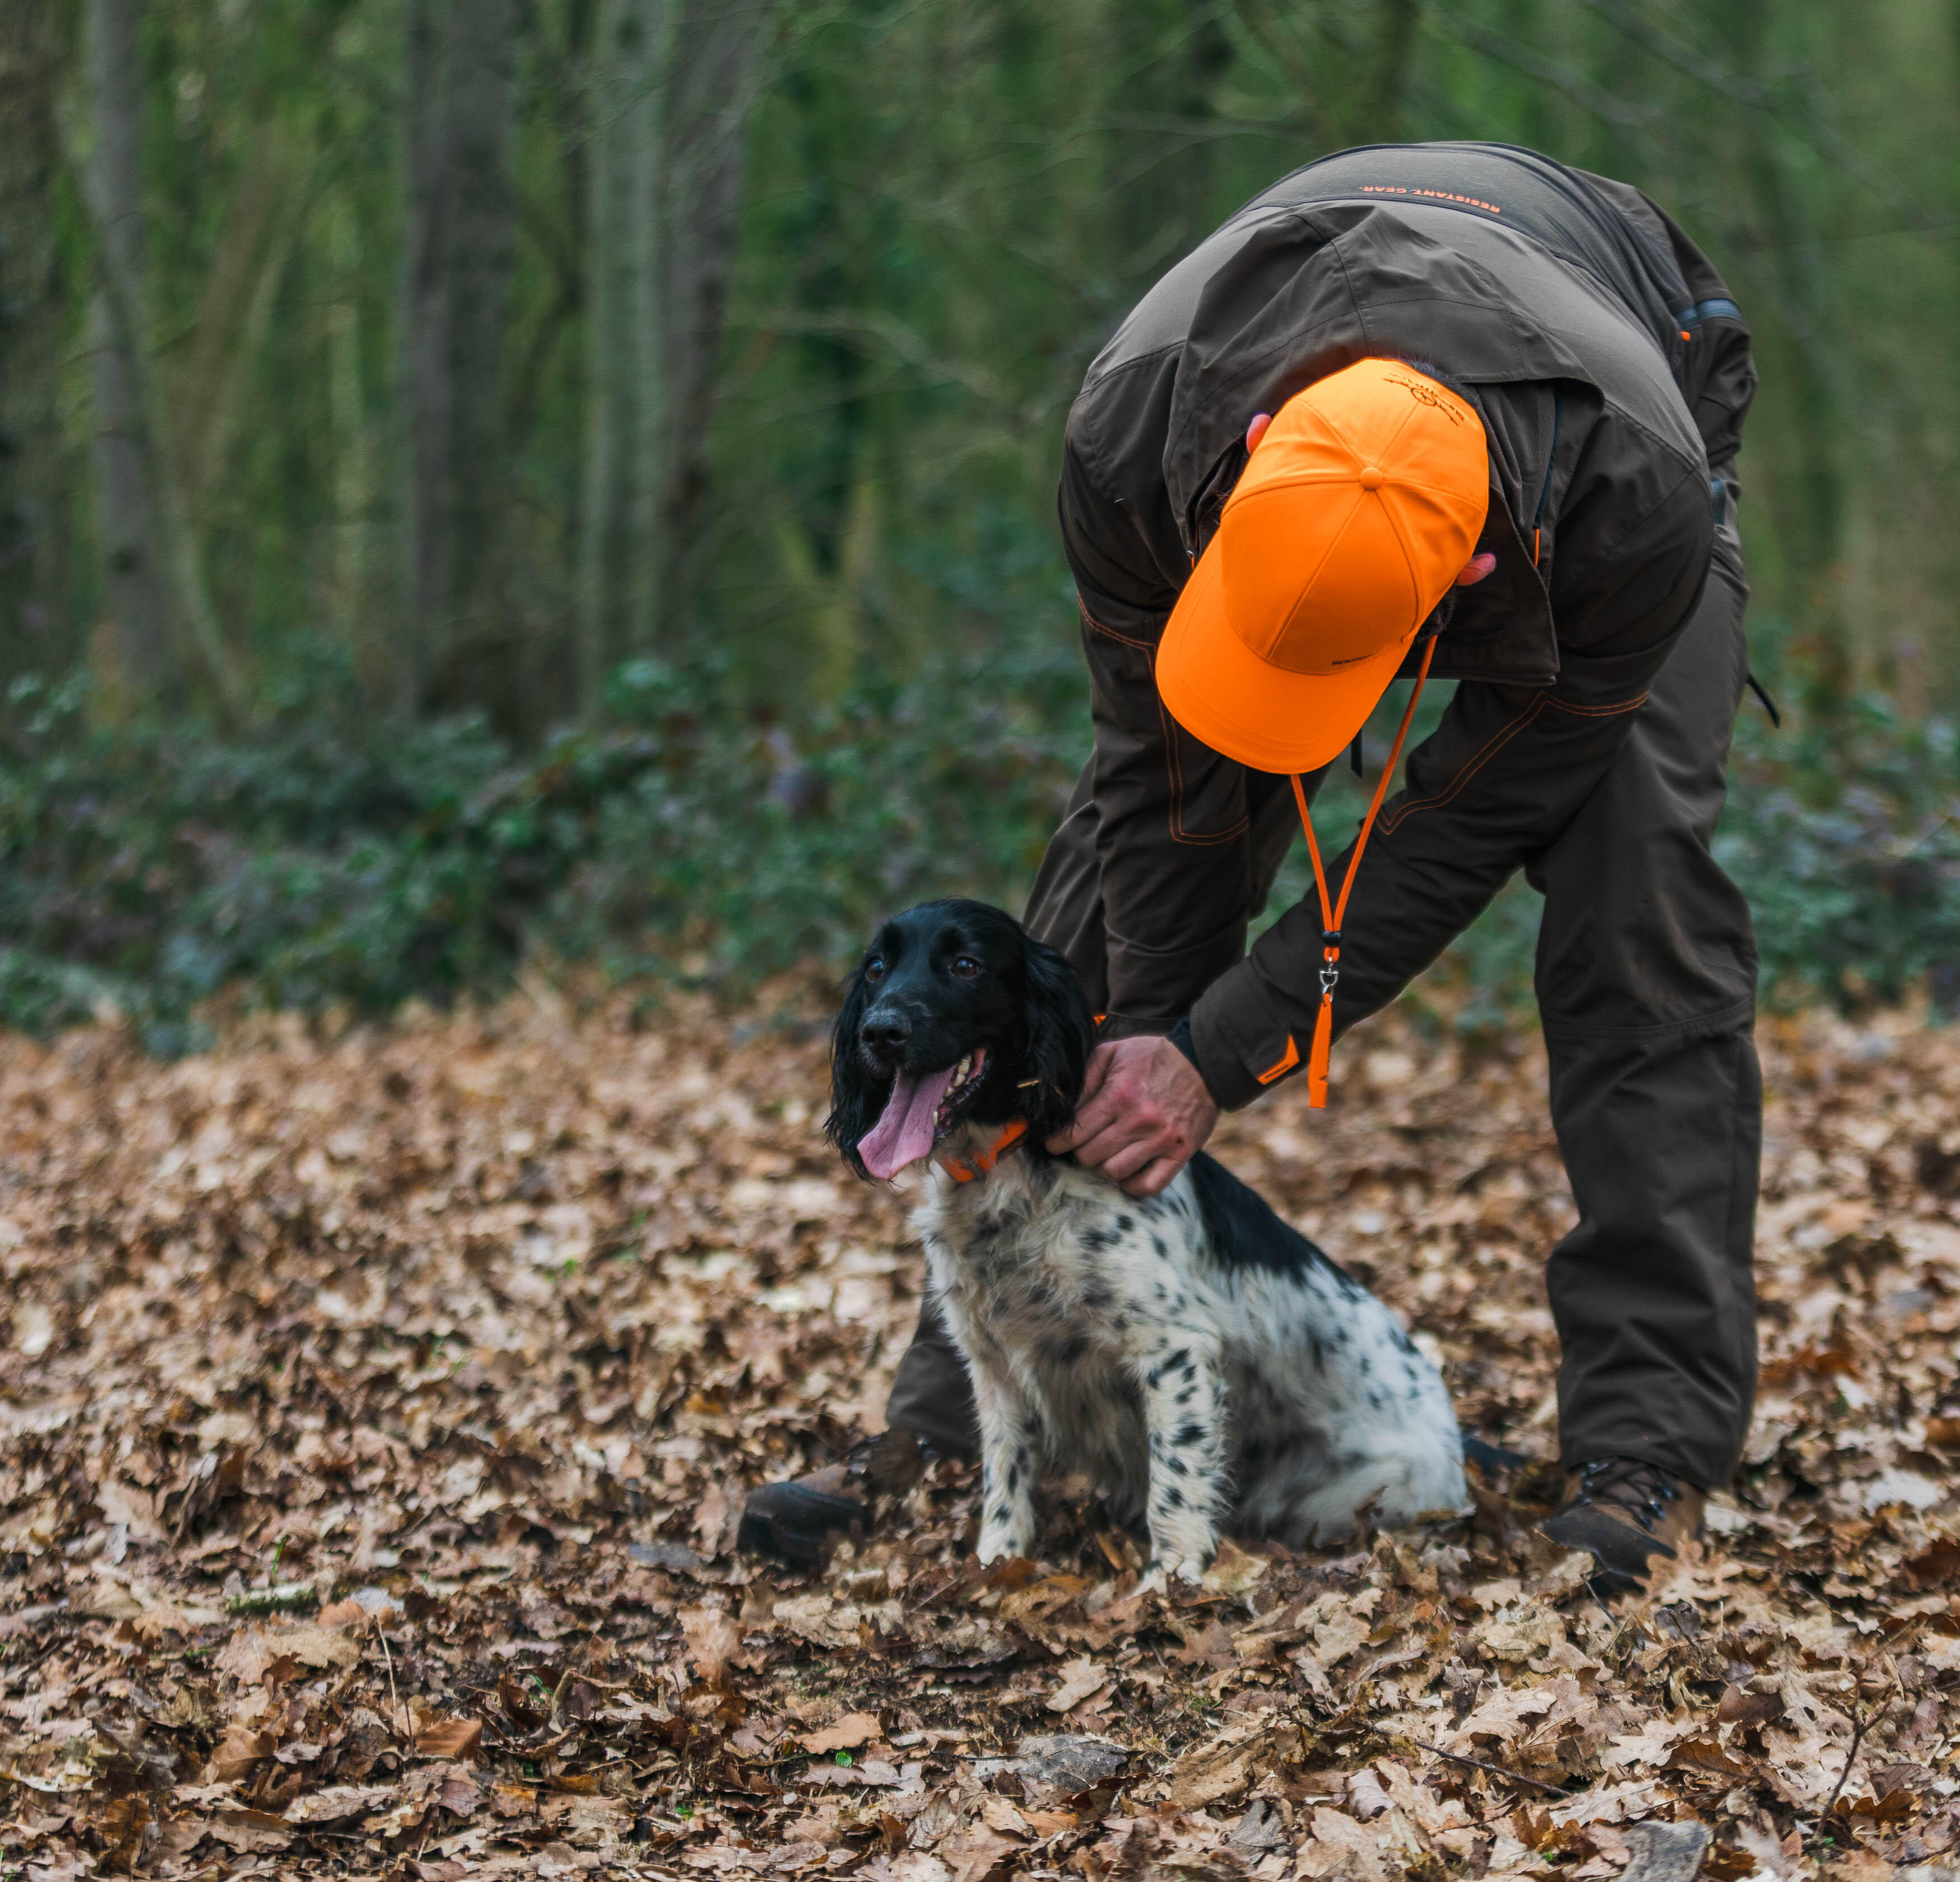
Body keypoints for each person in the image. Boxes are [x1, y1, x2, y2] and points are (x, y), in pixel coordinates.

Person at [742, 141, 1762, 1595]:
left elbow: (1457, 827)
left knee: (1638, 903)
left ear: (1461, 584)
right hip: (1251, 423)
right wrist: (1149, 1028)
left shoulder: (1630, 499)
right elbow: (1163, 783)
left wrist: (1220, 1054)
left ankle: (1649, 1442)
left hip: (1607, 419)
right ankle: (961, 1418)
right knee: (1095, 903)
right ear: (1253, 453)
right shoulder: (1139, 427)